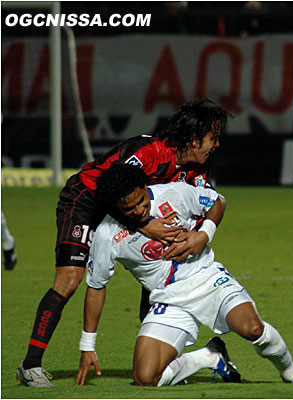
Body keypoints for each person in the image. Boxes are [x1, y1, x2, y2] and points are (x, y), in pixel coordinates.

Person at [16, 98, 233, 387]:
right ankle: (30, 365)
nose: (216, 145)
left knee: (166, 256)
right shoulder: (149, 153)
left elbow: (215, 202)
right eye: (212, 138)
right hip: (86, 202)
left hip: (130, 212)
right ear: (194, 139)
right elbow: (110, 189)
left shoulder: (194, 171)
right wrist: (145, 225)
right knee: (69, 280)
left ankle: (160, 360)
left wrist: (201, 234)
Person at [75, 164, 293, 386]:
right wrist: (88, 344)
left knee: (252, 328)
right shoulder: (107, 235)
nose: (140, 210)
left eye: (143, 201)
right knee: (145, 378)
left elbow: (217, 201)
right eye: (130, 209)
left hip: (208, 280)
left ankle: (292, 373)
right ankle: (210, 357)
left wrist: (203, 235)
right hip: (168, 299)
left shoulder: (174, 193)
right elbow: (96, 286)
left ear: (146, 187)